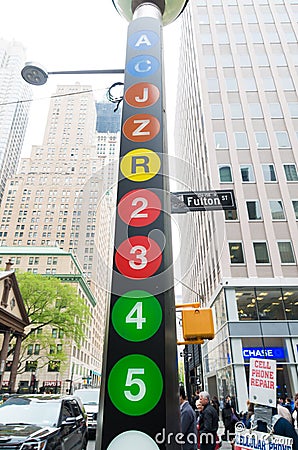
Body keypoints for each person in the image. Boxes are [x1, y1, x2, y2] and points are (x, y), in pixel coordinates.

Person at [180, 385, 197, 450]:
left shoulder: (186, 411)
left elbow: (181, 431)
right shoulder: (186, 409)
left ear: (180, 396)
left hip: (188, 446)